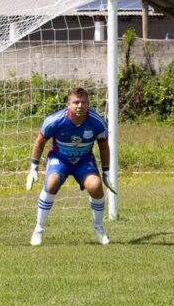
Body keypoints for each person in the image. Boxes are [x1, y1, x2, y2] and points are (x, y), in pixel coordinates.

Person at [26, 86, 116, 246]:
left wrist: (106, 172)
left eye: (83, 102)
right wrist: (33, 166)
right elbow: (40, 141)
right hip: (60, 159)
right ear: (68, 105)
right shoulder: (54, 120)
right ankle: (38, 229)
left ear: (88, 104)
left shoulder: (97, 122)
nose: (80, 106)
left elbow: (103, 146)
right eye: (76, 102)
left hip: (83, 160)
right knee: (51, 182)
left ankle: (99, 227)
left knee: (95, 186)